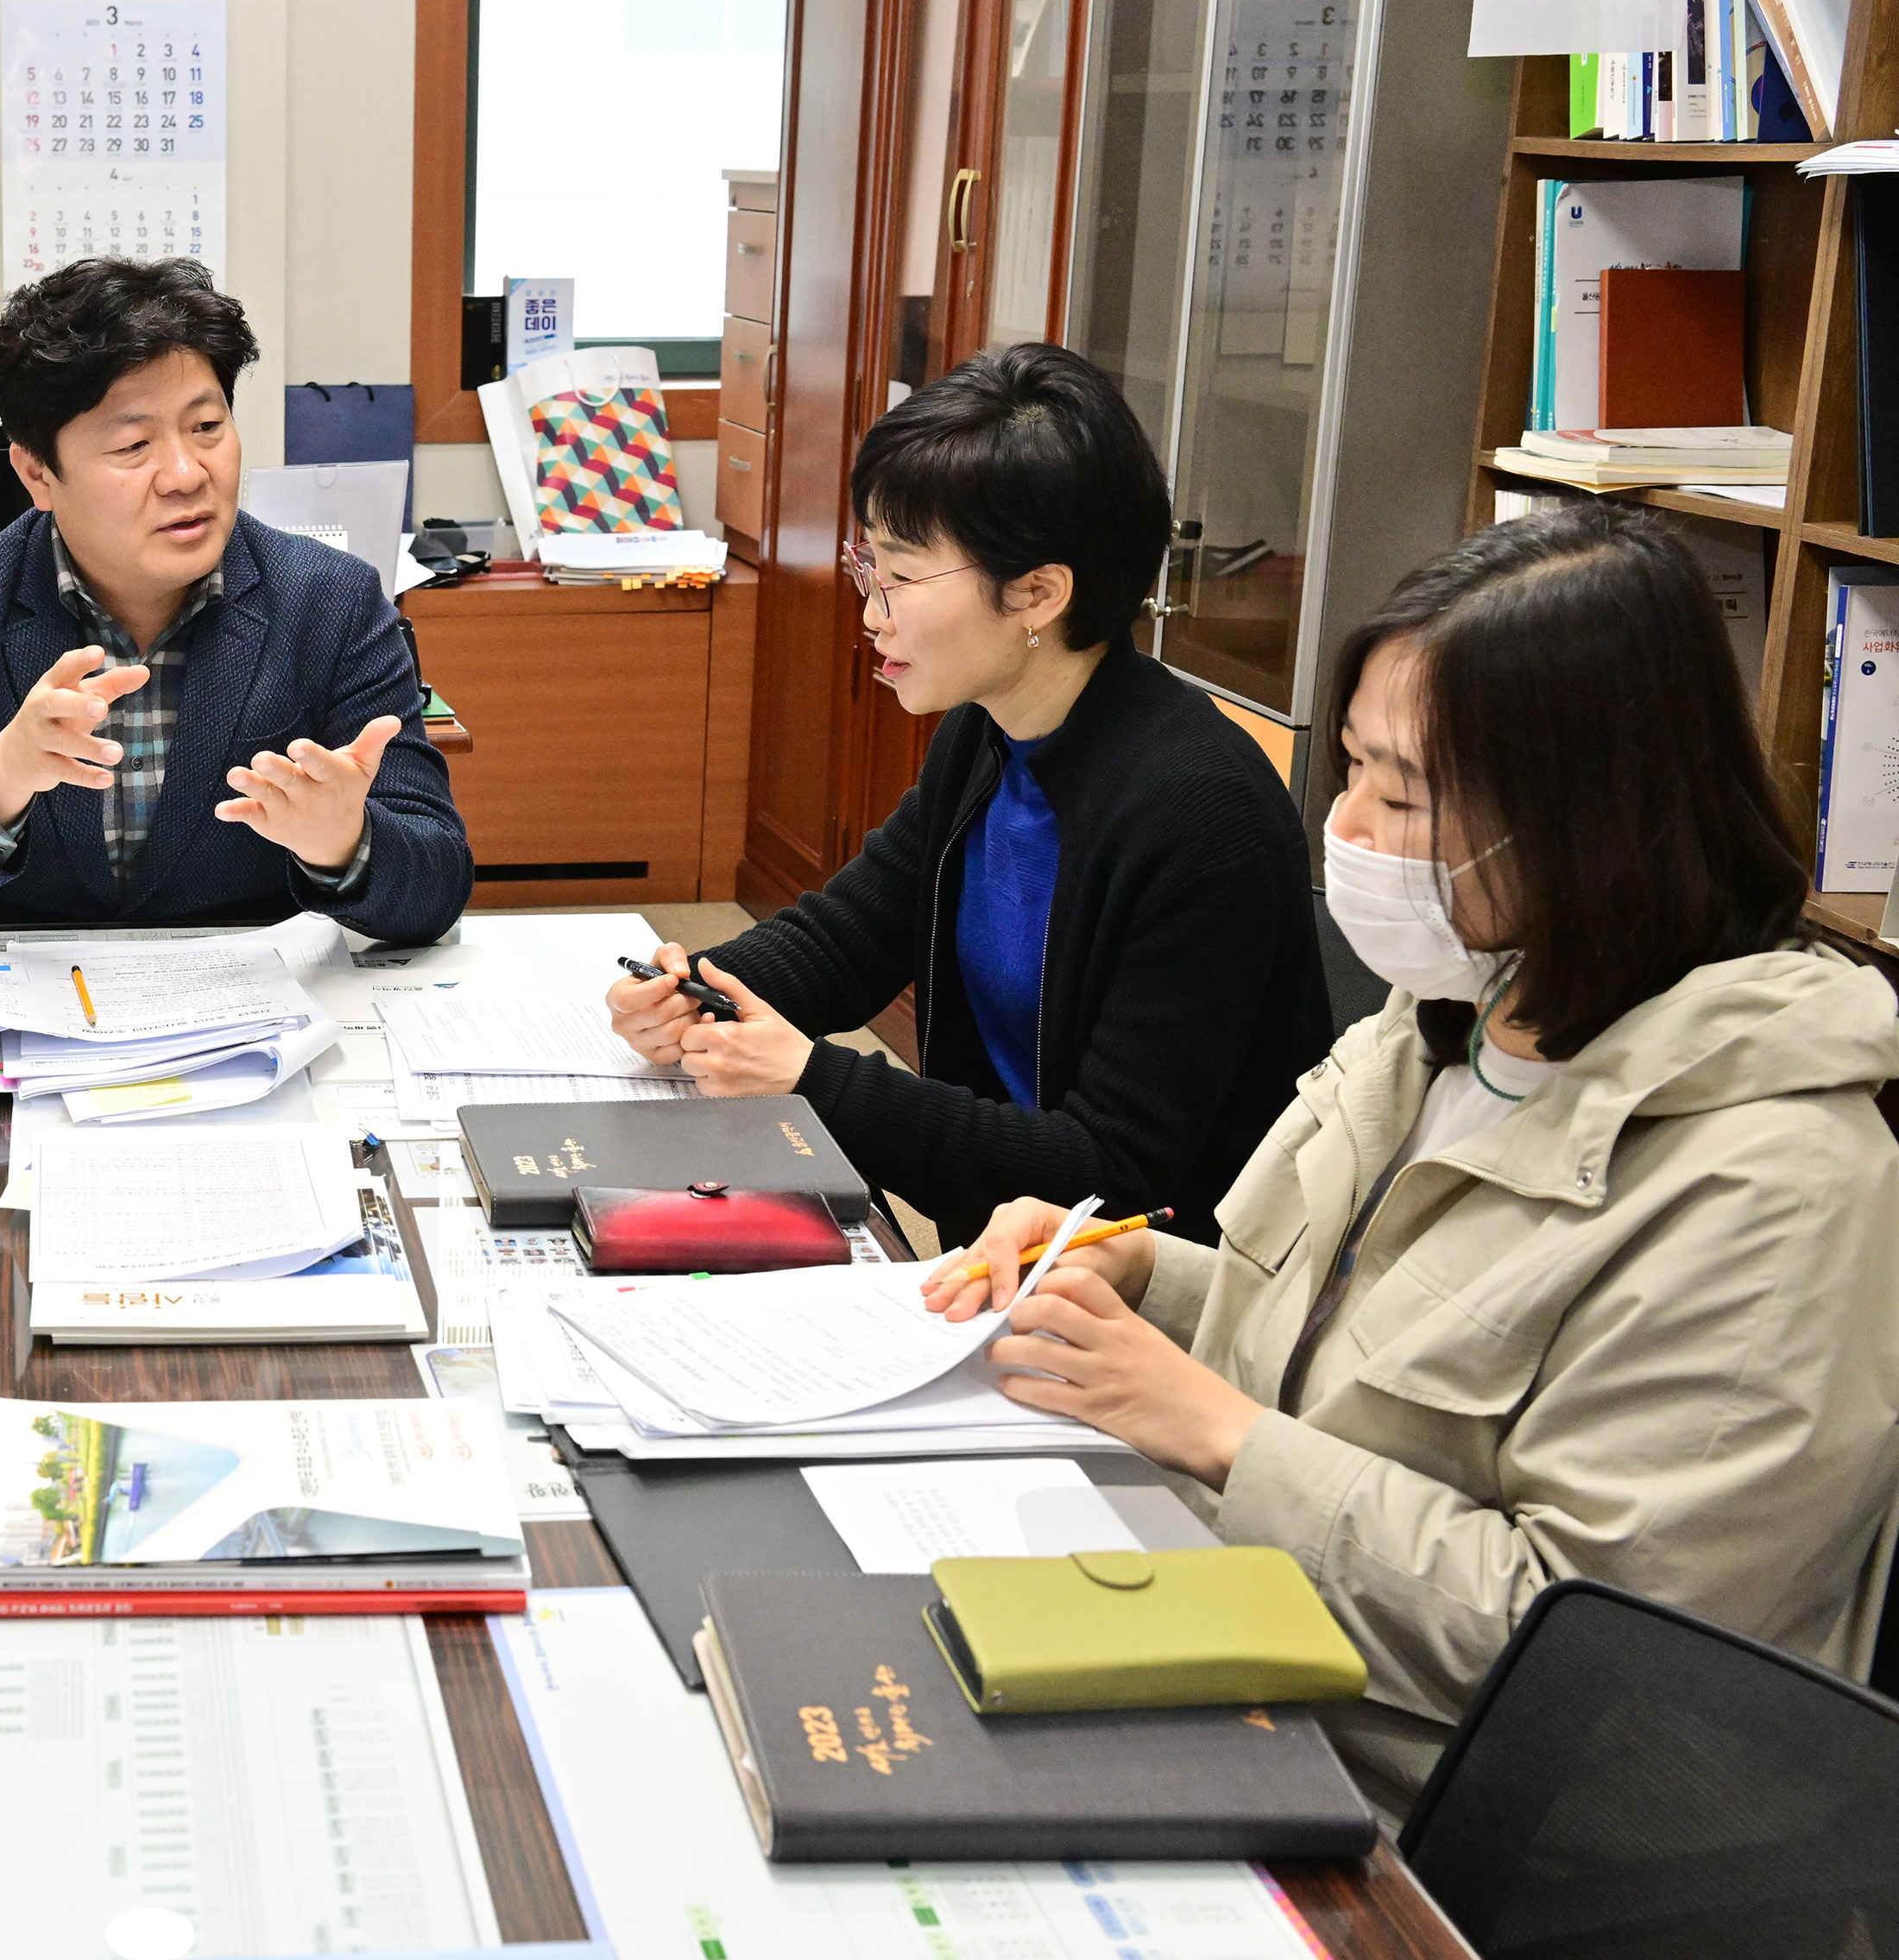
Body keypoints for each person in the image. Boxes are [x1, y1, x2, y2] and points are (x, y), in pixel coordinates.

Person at [923, 506, 1899, 1817]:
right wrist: (1148, 1273)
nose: (1350, 827)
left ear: (1588, 816)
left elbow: (1606, 1655)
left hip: (1452, 1822)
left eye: (1405, 791)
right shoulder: (1462, 1012)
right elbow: (1357, 1357)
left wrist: (1219, 1433)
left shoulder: (1777, 1187)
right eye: (1356, 772)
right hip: (1254, 1654)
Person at [603, 343, 1328, 1246]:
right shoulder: (988, 735)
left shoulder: (1198, 815)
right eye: (870, 567)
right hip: (995, 1268)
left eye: (901, 577)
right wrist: (701, 988)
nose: (871, 611)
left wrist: (811, 1079)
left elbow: (1114, 1169)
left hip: (1148, 1311)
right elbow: (850, 936)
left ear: (1036, 592)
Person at [0, 257, 471, 947]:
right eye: (135, 445)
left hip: (254, 1021)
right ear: (37, 472)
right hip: (23, 1019)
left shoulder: (330, 601)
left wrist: (344, 842)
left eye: (207, 428)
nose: (187, 474)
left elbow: (436, 893)